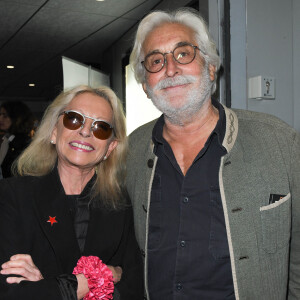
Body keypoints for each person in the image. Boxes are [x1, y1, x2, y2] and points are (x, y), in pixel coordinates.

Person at [126, 7, 300, 300]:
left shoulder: (280, 143)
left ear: (209, 67)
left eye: (183, 54)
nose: (170, 69)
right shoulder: (130, 153)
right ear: (145, 85)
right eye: (156, 61)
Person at [0, 85, 143, 299]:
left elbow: (133, 289)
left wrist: (45, 286)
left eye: (101, 128)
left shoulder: (119, 204)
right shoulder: (12, 196)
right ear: (55, 132)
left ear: (110, 148)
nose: (85, 131)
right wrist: (98, 278)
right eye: (74, 119)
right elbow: (10, 292)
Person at [0, 101, 35, 178]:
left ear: (17, 118)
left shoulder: (23, 143)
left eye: (5, 116)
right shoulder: (7, 139)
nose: (1, 119)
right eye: (0, 115)